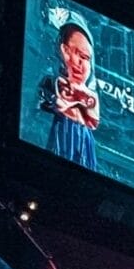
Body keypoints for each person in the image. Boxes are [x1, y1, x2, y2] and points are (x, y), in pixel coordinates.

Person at [37, 19, 100, 169]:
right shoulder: (53, 82)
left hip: (83, 141)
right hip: (63, 135)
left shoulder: (89, 94)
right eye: (74, 53)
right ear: (64, 51)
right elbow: (55, 104)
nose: (79, 63)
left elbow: (93, 119)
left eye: (85, 58)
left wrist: (75, 103)